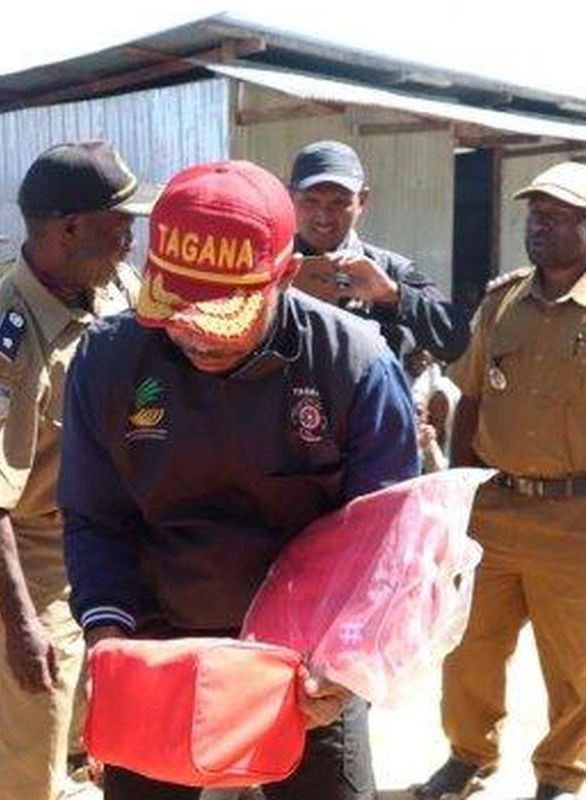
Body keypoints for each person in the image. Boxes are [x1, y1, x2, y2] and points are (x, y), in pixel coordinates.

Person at [59, 159, 420, 800]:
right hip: (158, 648)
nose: (196, 336)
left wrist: (343, 661)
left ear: (284, 274)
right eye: (177, 309)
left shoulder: (354, 367)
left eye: (220, 317)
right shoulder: (109, 360)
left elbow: (386, 547)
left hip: (304, 664)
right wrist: (108, 639)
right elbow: (97, 519)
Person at [0, 140, 152, 800]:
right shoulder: (6, 342)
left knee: (103, 722)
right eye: (119, 224)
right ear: (70, 229)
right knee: (32, 734)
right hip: (44, 553)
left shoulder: (111, 289)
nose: (131, 239)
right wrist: (22, 625)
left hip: (114, 537)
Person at [414, 161, 586, 800]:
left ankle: (560, 775)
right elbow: (473, 400)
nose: (541, 228)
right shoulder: (501, 303)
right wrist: (461, 492)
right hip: (497, 507)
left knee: (574, 663)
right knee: (469, 648)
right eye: (535, 216)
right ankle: (467, 755)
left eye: (559, 217)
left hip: (575, 519)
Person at [288, 139, 470, 364]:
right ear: (290, 197)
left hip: (367, 397)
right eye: (311, 201)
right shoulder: (268, 267)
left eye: (339, 202)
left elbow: (456, 339)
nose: (323, 215)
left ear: (362, 200)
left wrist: (392, 295)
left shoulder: (389, 269)